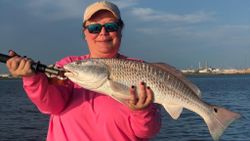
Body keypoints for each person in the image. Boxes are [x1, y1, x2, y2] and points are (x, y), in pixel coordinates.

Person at [6, 1, 161, 141]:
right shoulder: (69, 66)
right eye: (94, 28)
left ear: (120, 30)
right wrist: (32, 79)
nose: (103, 33)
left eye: (111, 27)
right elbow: (51, 105)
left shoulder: (142, 70)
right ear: (85, 33)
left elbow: (147, 132)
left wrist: (142, 111)